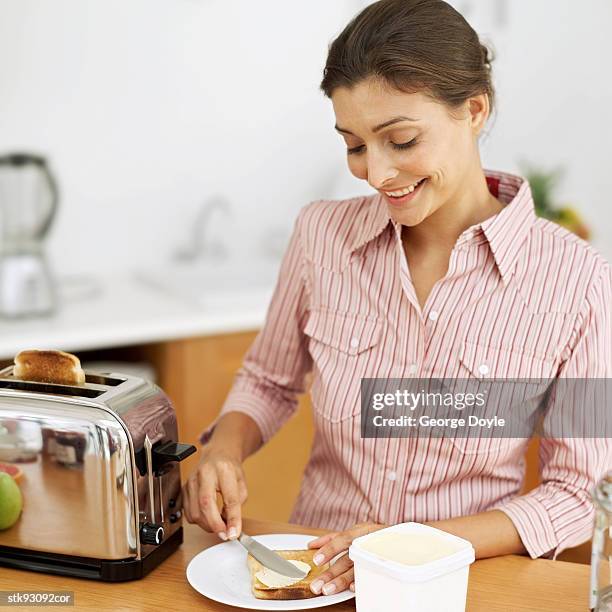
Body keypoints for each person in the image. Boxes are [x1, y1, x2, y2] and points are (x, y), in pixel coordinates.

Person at [183, 0, 612, 596]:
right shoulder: (320, 237)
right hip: (320, 574)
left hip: (461, 584)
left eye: (402, 140)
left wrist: (414, 550)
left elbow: (577, 493)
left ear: (474, 110)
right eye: (355, 145)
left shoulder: (579, 279)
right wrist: (223, 451)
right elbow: (268, 381)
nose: (377, 172)